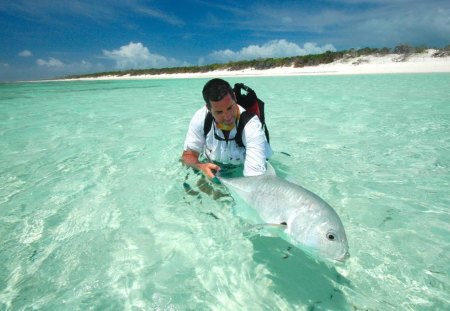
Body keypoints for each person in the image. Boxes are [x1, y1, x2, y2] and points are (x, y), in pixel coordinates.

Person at [181, 78, 273, 179]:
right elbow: (188, 156)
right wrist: (201, 166)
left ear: (235, 99)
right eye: (219, 112)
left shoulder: (251, 126)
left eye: (230, 108)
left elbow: (255, 178)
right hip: (213, 166)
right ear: (209, 109)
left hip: (242, 168)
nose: (227, 117)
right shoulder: (201, 118)